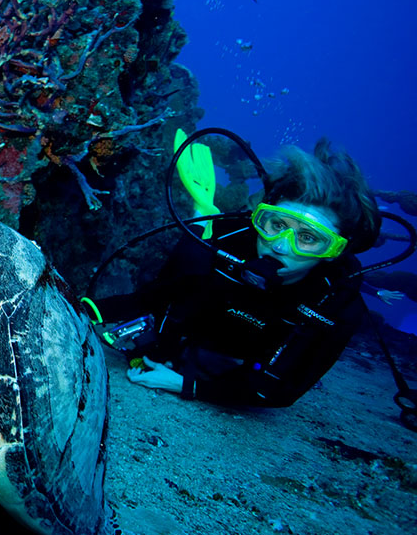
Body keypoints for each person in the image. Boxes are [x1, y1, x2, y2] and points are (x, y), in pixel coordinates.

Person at [94, 134, 382, 408]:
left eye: (308, 238)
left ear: (333, 252)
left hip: (247, 361)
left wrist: (186, 386)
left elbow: (280, 390)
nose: (280, 247)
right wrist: (86, 308)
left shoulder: (336, 301)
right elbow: (154, 296)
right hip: (195, 336)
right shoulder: (225, 244)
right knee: (195, 245)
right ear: (261, 218)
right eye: (277, 225)